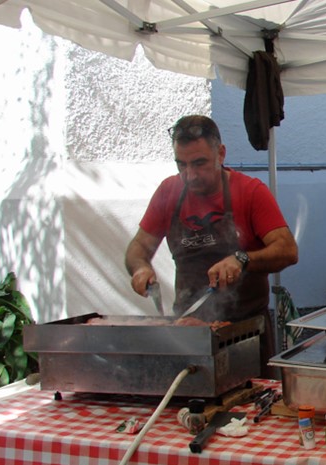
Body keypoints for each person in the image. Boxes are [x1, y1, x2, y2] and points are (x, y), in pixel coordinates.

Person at [125, 115, 298, 378]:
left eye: (199, 163)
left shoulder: (250, 192)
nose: (190, 175)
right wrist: (139, 268)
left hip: (245, 334)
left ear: (221, 153)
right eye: (181, 165)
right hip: (188, 333)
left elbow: (287, 250)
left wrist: (241, 259)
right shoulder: (168, 192)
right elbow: (139, 246)